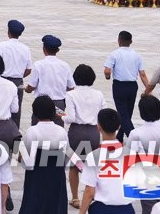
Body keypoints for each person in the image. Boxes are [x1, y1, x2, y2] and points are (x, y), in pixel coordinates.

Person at [126, 95, 160, 214]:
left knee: (148, 209)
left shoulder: (136, 134)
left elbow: (130, 159)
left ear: (141, 113)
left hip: (146, 176)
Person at [64, 63, 106, 210]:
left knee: (74, 166)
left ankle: (75, 197)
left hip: (77, 132)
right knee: (93, 165)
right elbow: (103, 114)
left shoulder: (71, 94)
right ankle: (93, 193)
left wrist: (60, 116)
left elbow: (71, 118)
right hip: (94, 132)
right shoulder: (99, 94)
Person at [18, 95, 70, 214]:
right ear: (53, 112)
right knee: (55, 204)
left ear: (35, 112)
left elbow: (29, 162)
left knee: (35, 203)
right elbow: (67, 156)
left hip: (37, 175)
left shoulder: (33, 131)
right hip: (56, 174)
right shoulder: (61, 131)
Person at [77, 108, 131, 214]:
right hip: (127, 208)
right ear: (119, 127)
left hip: (102, 209)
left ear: (98, 127)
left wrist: (81, 212)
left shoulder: (93, 156)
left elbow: (89, 192)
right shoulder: (131, 154)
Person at [103, 30, 149, 141]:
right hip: (133, 86)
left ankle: (136, 140)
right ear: (131, 41)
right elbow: (142, 74)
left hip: (119, 86)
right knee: (127, 114)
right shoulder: (136, 55)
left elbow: (107, 71)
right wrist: (148, 89)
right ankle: (119, 138)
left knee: (124, 115)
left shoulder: (114, 54)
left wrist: (108, 77)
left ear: (119, 40)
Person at [0, 19, 33, 128]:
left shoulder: (2, 46)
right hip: (18, 81)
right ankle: (15, 134)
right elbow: (29, 69)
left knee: (1, 107)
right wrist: (19, 75)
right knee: (16, 110)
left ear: (8, 32)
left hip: (3, 79)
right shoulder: (25, 48)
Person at [26, 34, 75, 114]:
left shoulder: (38, 64)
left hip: (41, 103)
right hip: (59, 103)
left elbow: (32, 86)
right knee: (58, 125)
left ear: (44, 49)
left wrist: (27, 89)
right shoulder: (65, 65)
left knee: (38, 125)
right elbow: (71, 87)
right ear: (57, 50)